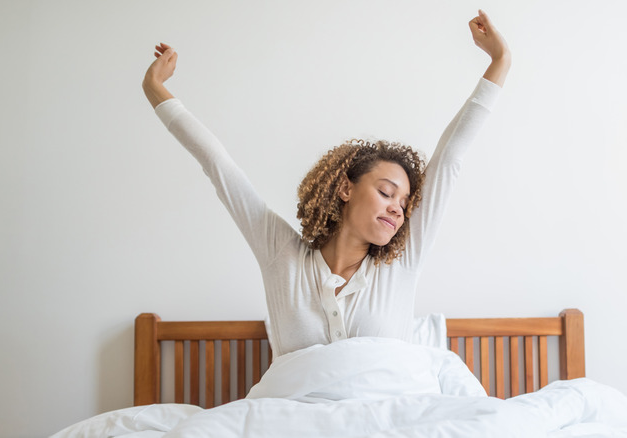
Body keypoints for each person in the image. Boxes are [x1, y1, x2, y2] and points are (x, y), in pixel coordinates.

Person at [142, 10, 511, 357]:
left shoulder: (403, 262)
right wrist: (155, 88)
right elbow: (218, 165)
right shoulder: (281, 255)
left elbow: (450, 159)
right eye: (386, 192)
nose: (398, 208)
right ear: (346, 188)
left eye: (404, 201)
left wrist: (500, 62)